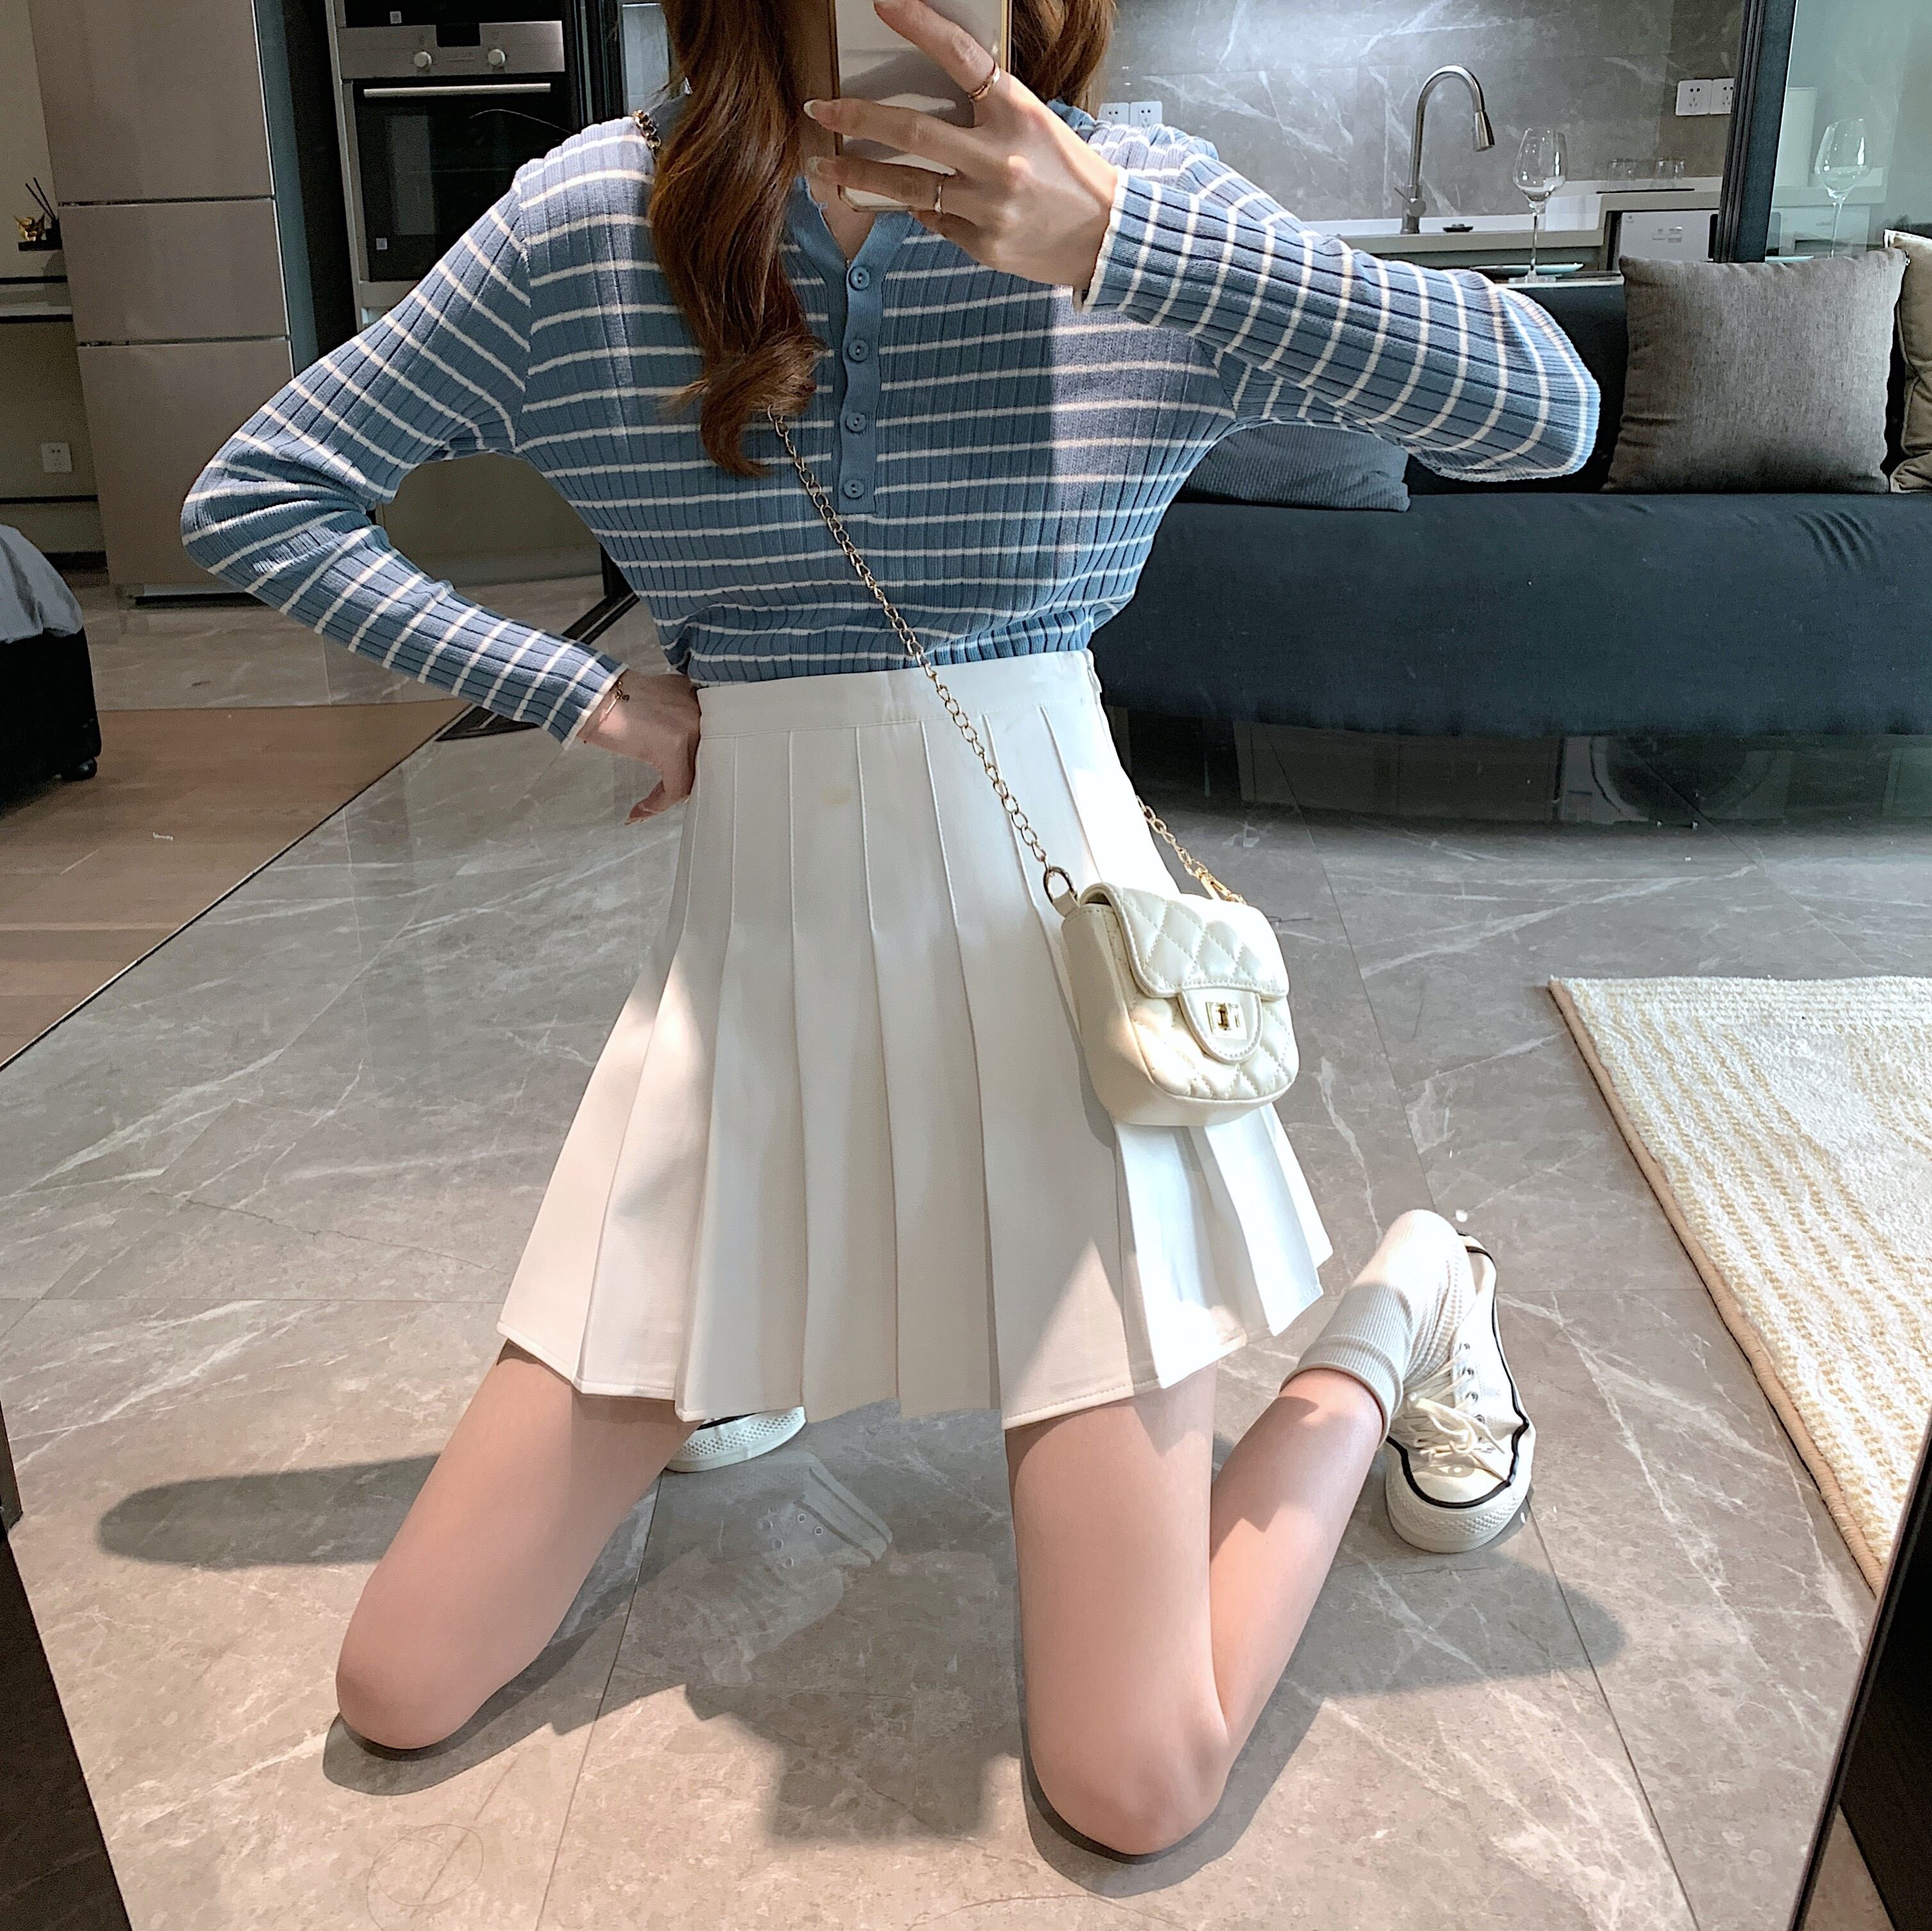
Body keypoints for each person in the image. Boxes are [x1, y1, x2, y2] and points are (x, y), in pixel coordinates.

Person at [182, 0, 1596, 1857]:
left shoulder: (1135, 195)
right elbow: (259, 496)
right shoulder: (592, 220)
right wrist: (582, 694)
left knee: (1134, 1777)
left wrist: (1123, 244)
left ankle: (1408, 1299)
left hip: (1060, 983)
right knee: (402, 1677)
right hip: (748, 989)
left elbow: (1545, 414)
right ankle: (758, 1332)